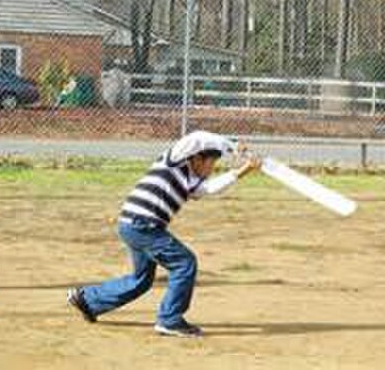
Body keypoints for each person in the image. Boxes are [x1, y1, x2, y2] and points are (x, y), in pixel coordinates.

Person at [67, 131, 260, 337]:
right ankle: (170, 320)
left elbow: (210, 189)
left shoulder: (191, 181)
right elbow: (195, 137)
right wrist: (232, 145)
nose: (211, 169)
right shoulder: (174, 160)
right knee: (185, 263)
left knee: (141, 279)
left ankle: (88, 300)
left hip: (134, 225)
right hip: (143, 226)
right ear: (196, 158)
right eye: (210, 163)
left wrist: (243, 170)